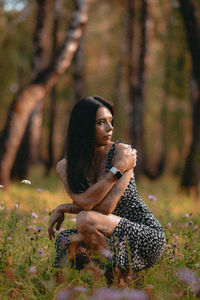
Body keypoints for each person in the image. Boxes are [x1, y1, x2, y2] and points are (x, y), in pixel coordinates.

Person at [48, 96, 165, 276]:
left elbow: (105, 207)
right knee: (66, 239)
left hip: (144, 234)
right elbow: (86, 203)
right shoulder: (65, 166)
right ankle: (76, 287)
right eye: (101, 122)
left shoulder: (122, 153)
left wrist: (65, 208)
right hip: (109, 235)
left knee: (85, 220)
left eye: (110, 121)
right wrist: (116, 171)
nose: (110, 129)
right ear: (83, 127)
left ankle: (117, 276)